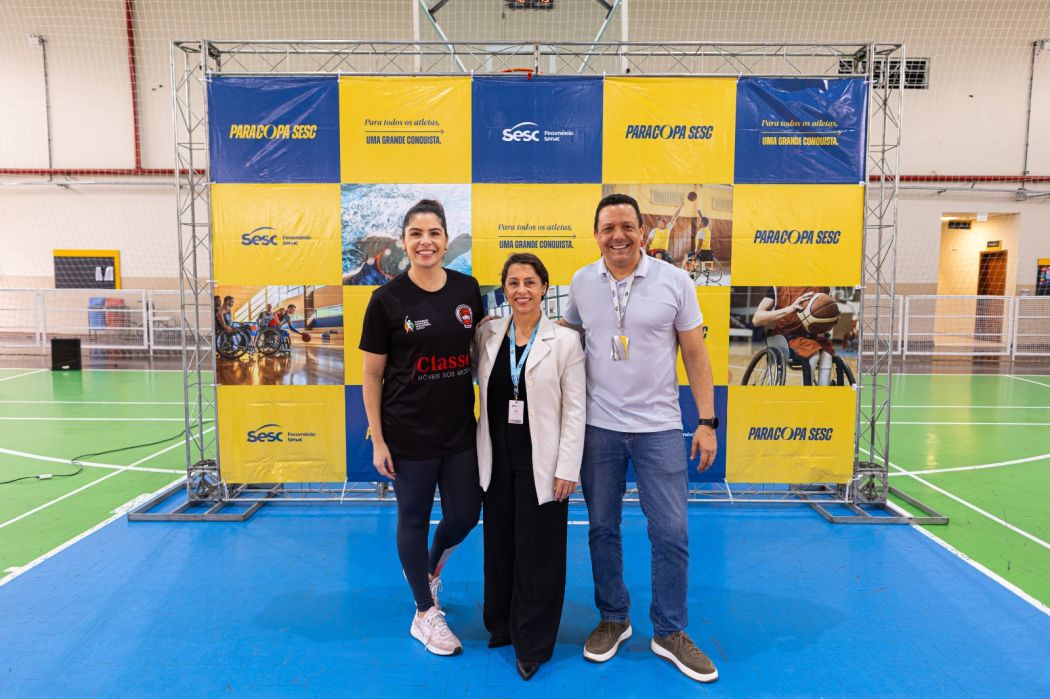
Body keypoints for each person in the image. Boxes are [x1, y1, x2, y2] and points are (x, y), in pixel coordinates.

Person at [560, 193, 720, 683]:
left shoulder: (676, 281)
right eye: (608, 228)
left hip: (660, 428)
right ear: (596, 235)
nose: (619, 236)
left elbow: (695, 354)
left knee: (671, 531)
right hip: (599, 427)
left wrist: (707, 422)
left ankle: (669, 631)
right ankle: (614, 618)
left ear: (642, 232)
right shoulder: (581, 283)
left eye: (627, 226)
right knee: (601, 528)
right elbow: (563, 342)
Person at [359, 199, 484, 657]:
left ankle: (429, 573)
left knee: (465, 515)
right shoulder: (386, 301)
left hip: (459, 432)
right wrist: (378, 439)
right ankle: (423, 612)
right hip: (407, 434)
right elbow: (372, 375)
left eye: (434, 233)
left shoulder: (468, 289)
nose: (425, 242)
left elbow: (480, 350)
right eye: (416, 234)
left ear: (446, 241)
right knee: (411, 520)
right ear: (403, 241)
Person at [475, 253, 585, 682]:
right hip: (497, 459)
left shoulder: (565, 341)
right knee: (500, 544)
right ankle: (502, 625)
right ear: (504, 288)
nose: (521, 290)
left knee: (539, 552)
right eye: (513, 282)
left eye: (530, 282)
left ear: (544, 288)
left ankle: (533, 642)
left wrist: (567, 468)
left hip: (543, 462)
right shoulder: (488, 334)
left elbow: (575, 410)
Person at [752, 286, 836, 385]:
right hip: (785, 337)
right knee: (813, 353)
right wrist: (789, 309)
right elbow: (756, 320)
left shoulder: (824, 287)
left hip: (811, 337)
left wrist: (831, 318)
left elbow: (827, 314)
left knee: (827, 353)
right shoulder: (779, 287)